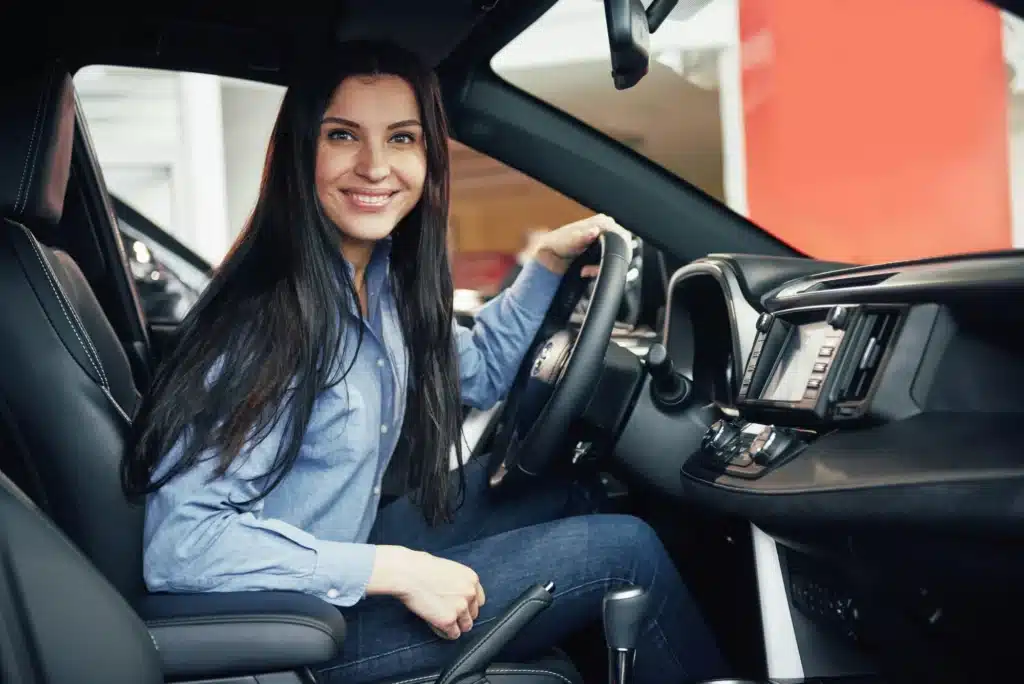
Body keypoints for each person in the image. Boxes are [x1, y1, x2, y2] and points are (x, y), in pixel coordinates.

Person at [122, 40, 729, 684]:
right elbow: (182, 546)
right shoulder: (269, 321)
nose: (375, 166)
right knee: (626, 552)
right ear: (304, 152)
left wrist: (545, 265)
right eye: (343, 135)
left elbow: (481, 372)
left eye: (402, 138)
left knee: (564, 491)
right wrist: (397, 571)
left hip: (337, 560)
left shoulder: (379, 282)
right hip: (287, 634)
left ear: (428, 156)